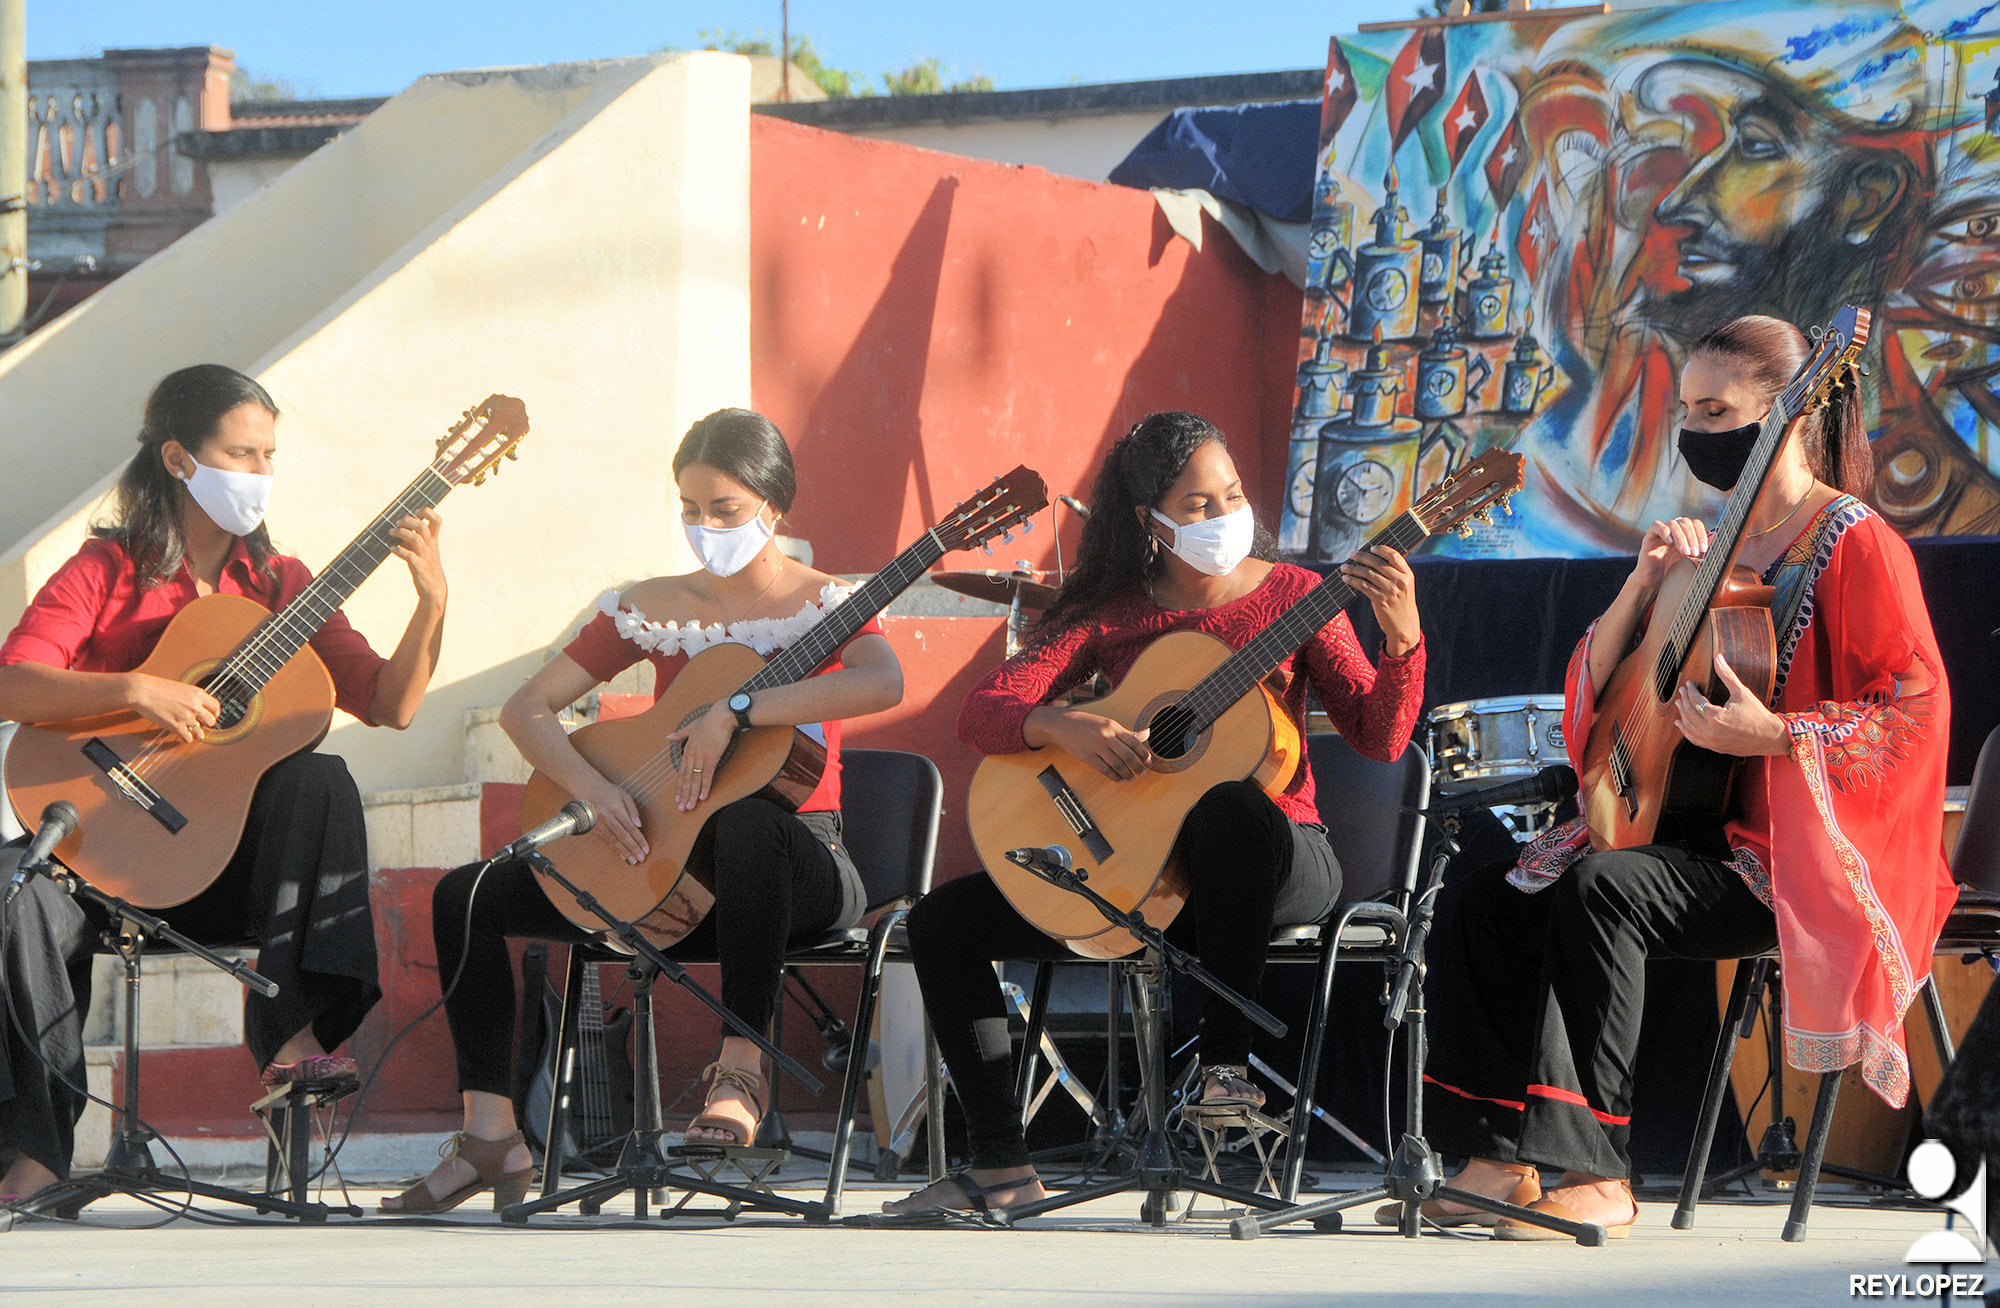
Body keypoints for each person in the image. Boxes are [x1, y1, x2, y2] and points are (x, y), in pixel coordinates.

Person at [1414, 314, 1956, 1238]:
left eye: (1718, 409)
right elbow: (1609, 704)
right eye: (1689, 412)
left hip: (1783, 856)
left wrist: (1781, 735)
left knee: (1600, 889)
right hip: (1686, 831)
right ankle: (1495, 1155)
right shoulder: (1713, 544)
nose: (1698, 432)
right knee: (1487, 899)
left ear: (1786, 414)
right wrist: (1640, 584)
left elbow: (1915, 711)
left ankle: (1597, 1170)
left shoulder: (1855, 542)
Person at [881, 410, 1427, 1218]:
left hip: (1278, 859)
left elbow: (1379, 740)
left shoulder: (1299, 596)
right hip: (1143, 876)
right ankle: (999, 1163)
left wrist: (1403, 637)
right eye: (1199, 504)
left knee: (1231, 809)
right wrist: (1064, 723)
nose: (1224, 515)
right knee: (941, 923)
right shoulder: (1110, 613)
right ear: (1151, 521)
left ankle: (1225, 1071)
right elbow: (985, 710)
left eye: (1232, 495)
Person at [384, 408, 902, 1214]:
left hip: (799, 863)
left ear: (775, 504)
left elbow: (882, 683)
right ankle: (490, 1134)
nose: (703, 526)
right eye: (689, 508)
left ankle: (742, 1073)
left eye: (723, 510)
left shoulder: (822, 601)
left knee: (748, 824)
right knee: (470, 894)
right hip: (670, 867)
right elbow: (529, 709)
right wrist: (592, 789)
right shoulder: (654, 607)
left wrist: (738, 706)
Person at [0, 364, 448, 1206]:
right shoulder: (106, 569)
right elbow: (11, 682)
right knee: (9, 893)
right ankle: (39, 1149)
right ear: (177, 458)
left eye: (269, 456)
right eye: (241, 454)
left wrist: (430, 600)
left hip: (221, 870)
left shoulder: (282, 586)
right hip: (98, 858)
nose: (260, 474)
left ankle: (295, 1043)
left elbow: (390, 703)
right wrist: (134, 689)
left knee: (321, 776)